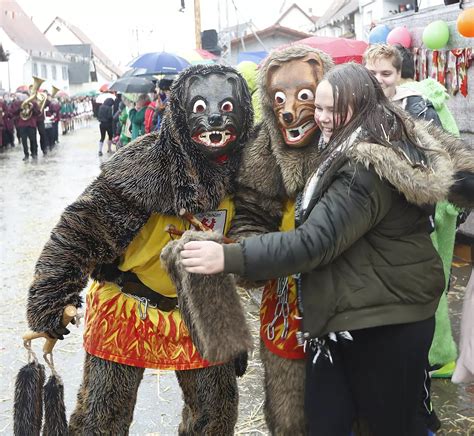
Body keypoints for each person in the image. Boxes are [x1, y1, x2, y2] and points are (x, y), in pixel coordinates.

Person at [179, 63, 474, 436]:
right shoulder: (352, 139)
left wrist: (229, 256)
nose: (319, 117)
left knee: (392, 423)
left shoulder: (366, 166)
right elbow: (257, 209)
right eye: (318, 106)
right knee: (327, 418)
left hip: (381, 318)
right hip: (344, 309)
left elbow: (315, 241)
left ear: (362, 102)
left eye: (329, 107)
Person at [25, 64, 254, 435]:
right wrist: (51, 299)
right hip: (128, 304)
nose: (213, 117)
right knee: (101, 421)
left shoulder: (249, 171)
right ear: (180, 113)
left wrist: (232, 329)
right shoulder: (142, 165)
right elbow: (79, 231)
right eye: (199, 107)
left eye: (226, 109)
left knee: (215, 419)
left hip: (203, 306)